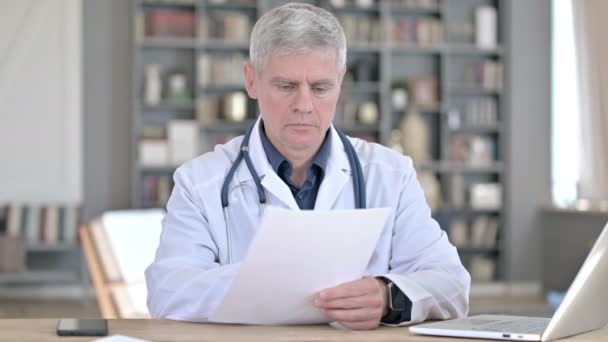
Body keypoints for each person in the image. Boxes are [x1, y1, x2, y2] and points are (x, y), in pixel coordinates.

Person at [145, 3, 470, 330]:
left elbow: (452, 283)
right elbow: (168, 291)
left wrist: (388, 295)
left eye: (320, 88)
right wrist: (271, 279)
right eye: (286, 86)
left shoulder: (391, 175)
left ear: (340, 82)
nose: (303, 105)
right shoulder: (199, 182)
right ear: (252, 80)